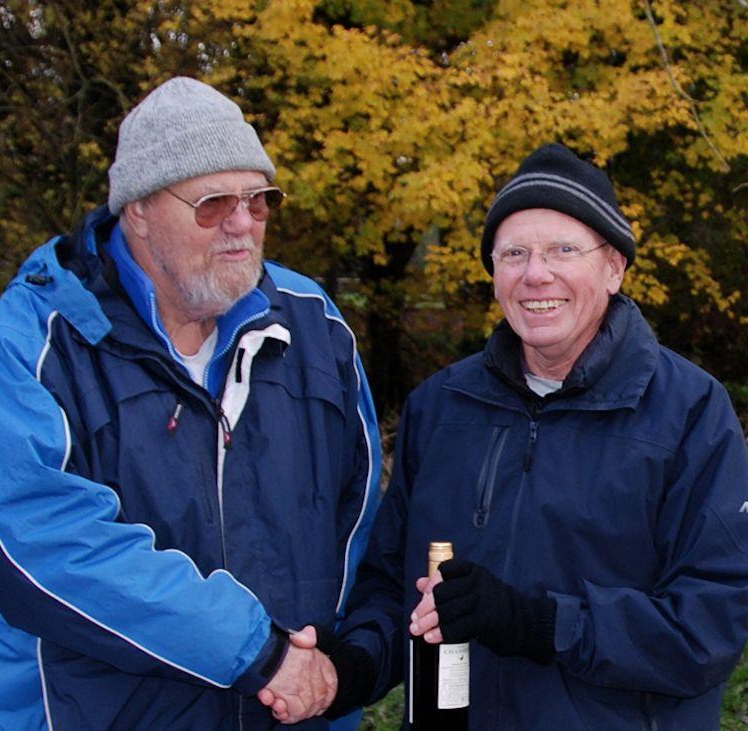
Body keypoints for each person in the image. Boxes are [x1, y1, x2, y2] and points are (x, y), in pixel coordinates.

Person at [0, 76, 381, 730]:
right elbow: (40, 544)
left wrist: (340, 671)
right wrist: (259, 653)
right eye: (213, 204)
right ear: (139, 211)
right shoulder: (36, 338)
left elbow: (361, 531)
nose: (242, 225)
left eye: (259, 201)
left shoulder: (318, 332)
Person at [313, 143, 748, 728]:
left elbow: (710, 626)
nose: (535, 273)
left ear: (614, 267)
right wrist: (351, 670)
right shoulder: (441, 406)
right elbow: (393, 587)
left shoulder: (690, 412)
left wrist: (539, 623)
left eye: (563, 250)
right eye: (513, 253)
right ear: (494, 272)